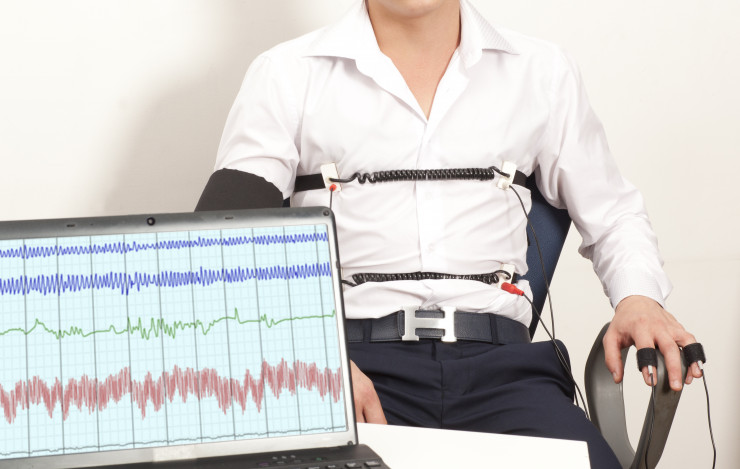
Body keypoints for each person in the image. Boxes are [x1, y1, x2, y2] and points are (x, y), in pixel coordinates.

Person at [196, 0, 701, 466]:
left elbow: (613, 213)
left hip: (507, 376)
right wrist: (312, 359)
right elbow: (220, 244)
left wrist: (638, 298)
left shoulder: (542, 72)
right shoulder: (286, 74)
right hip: (354, 368)